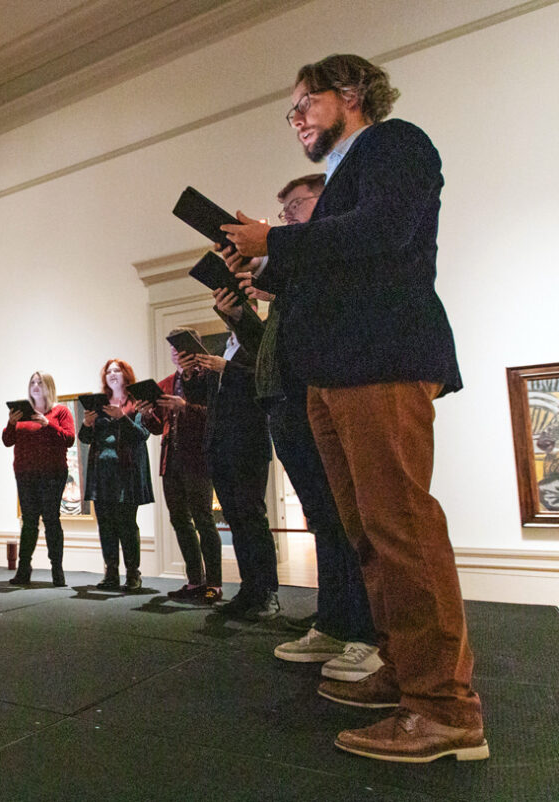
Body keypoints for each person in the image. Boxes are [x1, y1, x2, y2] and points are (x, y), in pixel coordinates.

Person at [224, 54, 485, 762]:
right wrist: (268, 265)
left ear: (351, 93)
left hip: (383, 360)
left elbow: (384, 233)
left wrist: (276, 240)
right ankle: (404, 673)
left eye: (305, 101)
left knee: (401, 529)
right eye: (292, 111)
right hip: (337, 373)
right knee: (368, 533)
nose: (298, 118)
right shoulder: (342, 175)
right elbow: (339, 266)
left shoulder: (395, 142)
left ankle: (445, 709)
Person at [219, 174, 380, 684]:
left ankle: (366, 633)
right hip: (285, 401)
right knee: (323, 519)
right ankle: (334, 622)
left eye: (295, 206)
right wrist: (244, 314)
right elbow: (271, 342)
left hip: (317, 395)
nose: (286, 216)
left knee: (345, 517)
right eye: (283, 209)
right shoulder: (298, 274)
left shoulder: (330, 264)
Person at [192, 328, 280, 623]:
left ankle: (268, 593)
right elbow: (205, 399)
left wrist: (226, 368)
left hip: (249, 443)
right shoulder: (221, 345)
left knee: (253, 517)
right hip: (219, 445)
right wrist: (192, 373)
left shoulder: (258, 342)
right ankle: (248, 589)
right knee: (236, 519)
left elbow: (264, 380)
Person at [153, 331, 220, 603]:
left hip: (197, 457)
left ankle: (213, 583)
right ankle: (194, 580)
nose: (176, 354)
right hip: (171, 458)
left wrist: (185, 407)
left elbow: (213, 415)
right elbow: (159, 426)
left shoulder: (207, 379)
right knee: (179, 519)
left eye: (181, 349)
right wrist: (148, 415)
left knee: (203, 518)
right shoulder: (167, 383)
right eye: (173, 350)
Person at [79, 359, 153, 591]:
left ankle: (133, 573)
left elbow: (142, 434)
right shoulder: (98, 404)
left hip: (126, 472)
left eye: (116, 370)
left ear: (125, 375)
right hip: (101, 473)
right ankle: (111, 572)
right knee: (106, 524)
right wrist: (87, 424)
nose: (112, 374)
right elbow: (85, 439)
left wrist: (122, 417)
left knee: (126, 524)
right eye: (108, 371)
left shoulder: (135, 403)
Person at [3, 372, 75, 587]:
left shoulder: (60, 411)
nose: (35, 385)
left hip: (53, 474)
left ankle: (57, 570)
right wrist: (11, 423)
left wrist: (47, 424)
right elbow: (7, 441)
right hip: (25, 473)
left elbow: (69, 439)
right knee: (29, 521)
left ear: (49, 387)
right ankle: (24, 569)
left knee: (51, 520)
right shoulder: (22, 414)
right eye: (32, 382)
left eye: (40, 382)